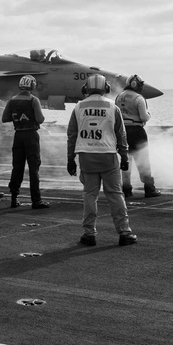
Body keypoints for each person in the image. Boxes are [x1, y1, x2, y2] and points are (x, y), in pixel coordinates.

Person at [67, 73, 137, 247]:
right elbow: (121, 135)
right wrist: (125, 156)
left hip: (86, 156)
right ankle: (124, 232)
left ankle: (89, 234)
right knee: (115, 195)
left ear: (86, 89)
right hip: (108, 156)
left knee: (90, 195)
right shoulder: (113, 107)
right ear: (106, 88)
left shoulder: (78, 108)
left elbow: (72, 136)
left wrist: (70, 159)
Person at [2, 75, 49, 209]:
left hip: (18, 135)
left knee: (17, 167)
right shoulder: (33, 100)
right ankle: (36, 200)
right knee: (34, 169)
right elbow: (40, 120)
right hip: (31, 135)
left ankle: (14, 197)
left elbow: (5, 118)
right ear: (32, 86)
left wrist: (19, 116)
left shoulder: (12, 100)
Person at [115, 74, 160, 198]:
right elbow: (144, 117)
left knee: (125, 161)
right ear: (136, 85)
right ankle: (149, 189)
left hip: (122, 132)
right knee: (143, 161)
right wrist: (149, 115)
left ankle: (126, 189)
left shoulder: (119, 97)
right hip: (137, 131)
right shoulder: (139, 98)